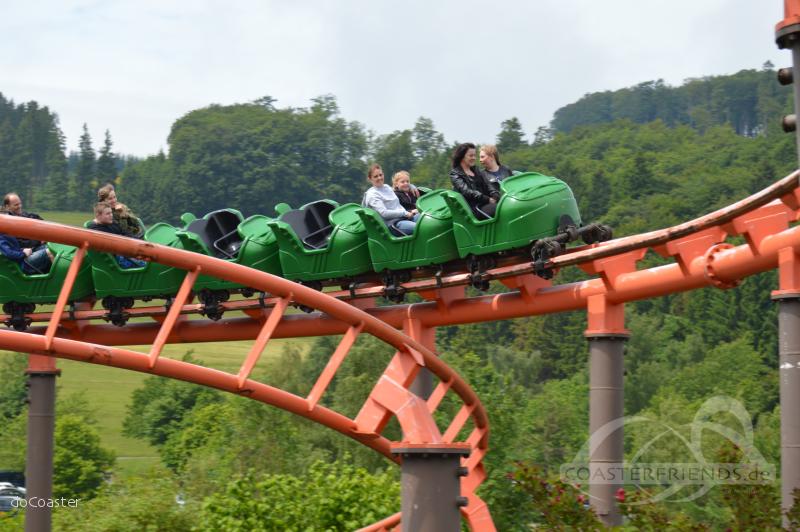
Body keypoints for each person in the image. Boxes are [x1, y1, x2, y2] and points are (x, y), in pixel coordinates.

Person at [362, 164, 419, 235]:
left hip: (406, 217)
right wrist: (405, 213)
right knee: (422, 227)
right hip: (395, 224)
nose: (379, 178)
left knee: (427, 218)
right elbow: (384, 213)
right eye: (376, 176)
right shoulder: (372, 195)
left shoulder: (387, 187)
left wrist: (411, 186)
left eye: (380, 175)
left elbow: (399, 186)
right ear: (370, 179)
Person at [87, 202, 146, 269]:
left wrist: (137, 241)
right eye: (108, 214)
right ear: (98, 215)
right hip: (118, 258)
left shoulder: (111, 222)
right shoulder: (95, 229)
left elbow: (124, 232)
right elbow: (113, 242)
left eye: (111, 213)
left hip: (126, 249)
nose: (111, 215)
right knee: (148, 264)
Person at [450, 142, 501, 218]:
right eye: (471, 155)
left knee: (506, 203)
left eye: (474, 155)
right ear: (462, 157)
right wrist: (487, 199)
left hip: (488, 204)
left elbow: (488, 184)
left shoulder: (476, 170)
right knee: (501, 209)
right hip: (476, 208)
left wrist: (495, 195)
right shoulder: (455, 174)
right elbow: (467, 191)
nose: (474, 158)